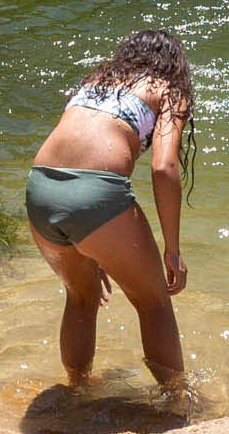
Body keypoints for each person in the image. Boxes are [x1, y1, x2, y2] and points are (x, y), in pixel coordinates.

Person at [24, 29, 197, 391]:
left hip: (39, 189)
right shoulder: (168, 89)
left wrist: (95, 245)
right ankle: (177, 401)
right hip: (93, 196)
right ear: (174, 66)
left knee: (80, 297)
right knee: (154, 304)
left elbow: (78, 145)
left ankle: (77, 389)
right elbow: (164, 167)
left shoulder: (93, 83)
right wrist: (173, 250)